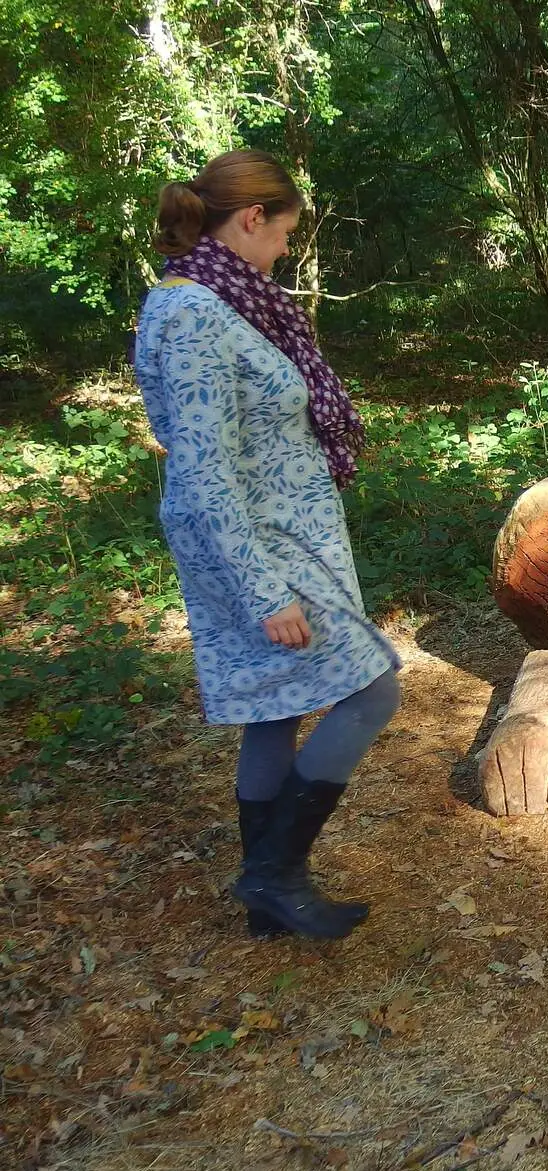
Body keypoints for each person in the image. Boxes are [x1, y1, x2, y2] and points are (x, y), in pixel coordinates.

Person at [131, 150, 401, 941]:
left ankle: (267, 901)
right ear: (251, 219)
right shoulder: (189, 316)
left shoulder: (229, 300)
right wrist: (266, 593)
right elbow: (205, 472)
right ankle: (274, 872)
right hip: (260, 552)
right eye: (283, 232)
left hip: (285, 538)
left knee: (273, 706)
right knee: (374, 690)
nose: (285, 249)